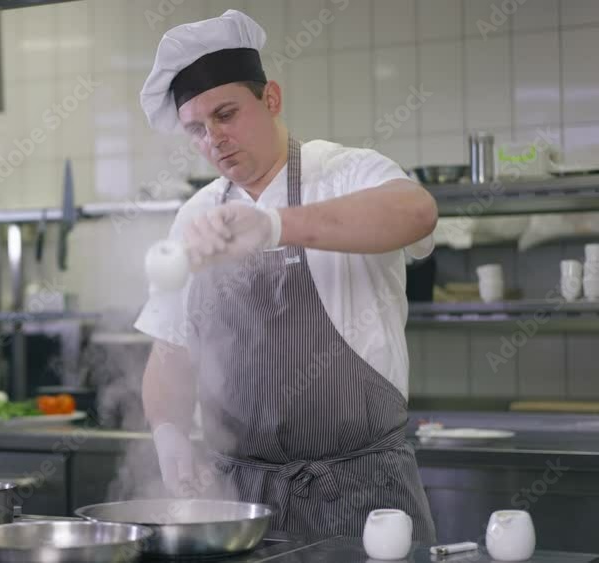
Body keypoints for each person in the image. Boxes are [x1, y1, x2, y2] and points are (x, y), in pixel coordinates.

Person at [133, 10, 437, 541]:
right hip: (240, 503)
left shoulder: (345, 172)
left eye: (226, 114)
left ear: (271, 98)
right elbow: (171, 349)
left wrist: (274, 226)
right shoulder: (196, 217)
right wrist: (168, 435)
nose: (214, 139)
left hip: (362, 495)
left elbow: (417, 212)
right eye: (197, 129)